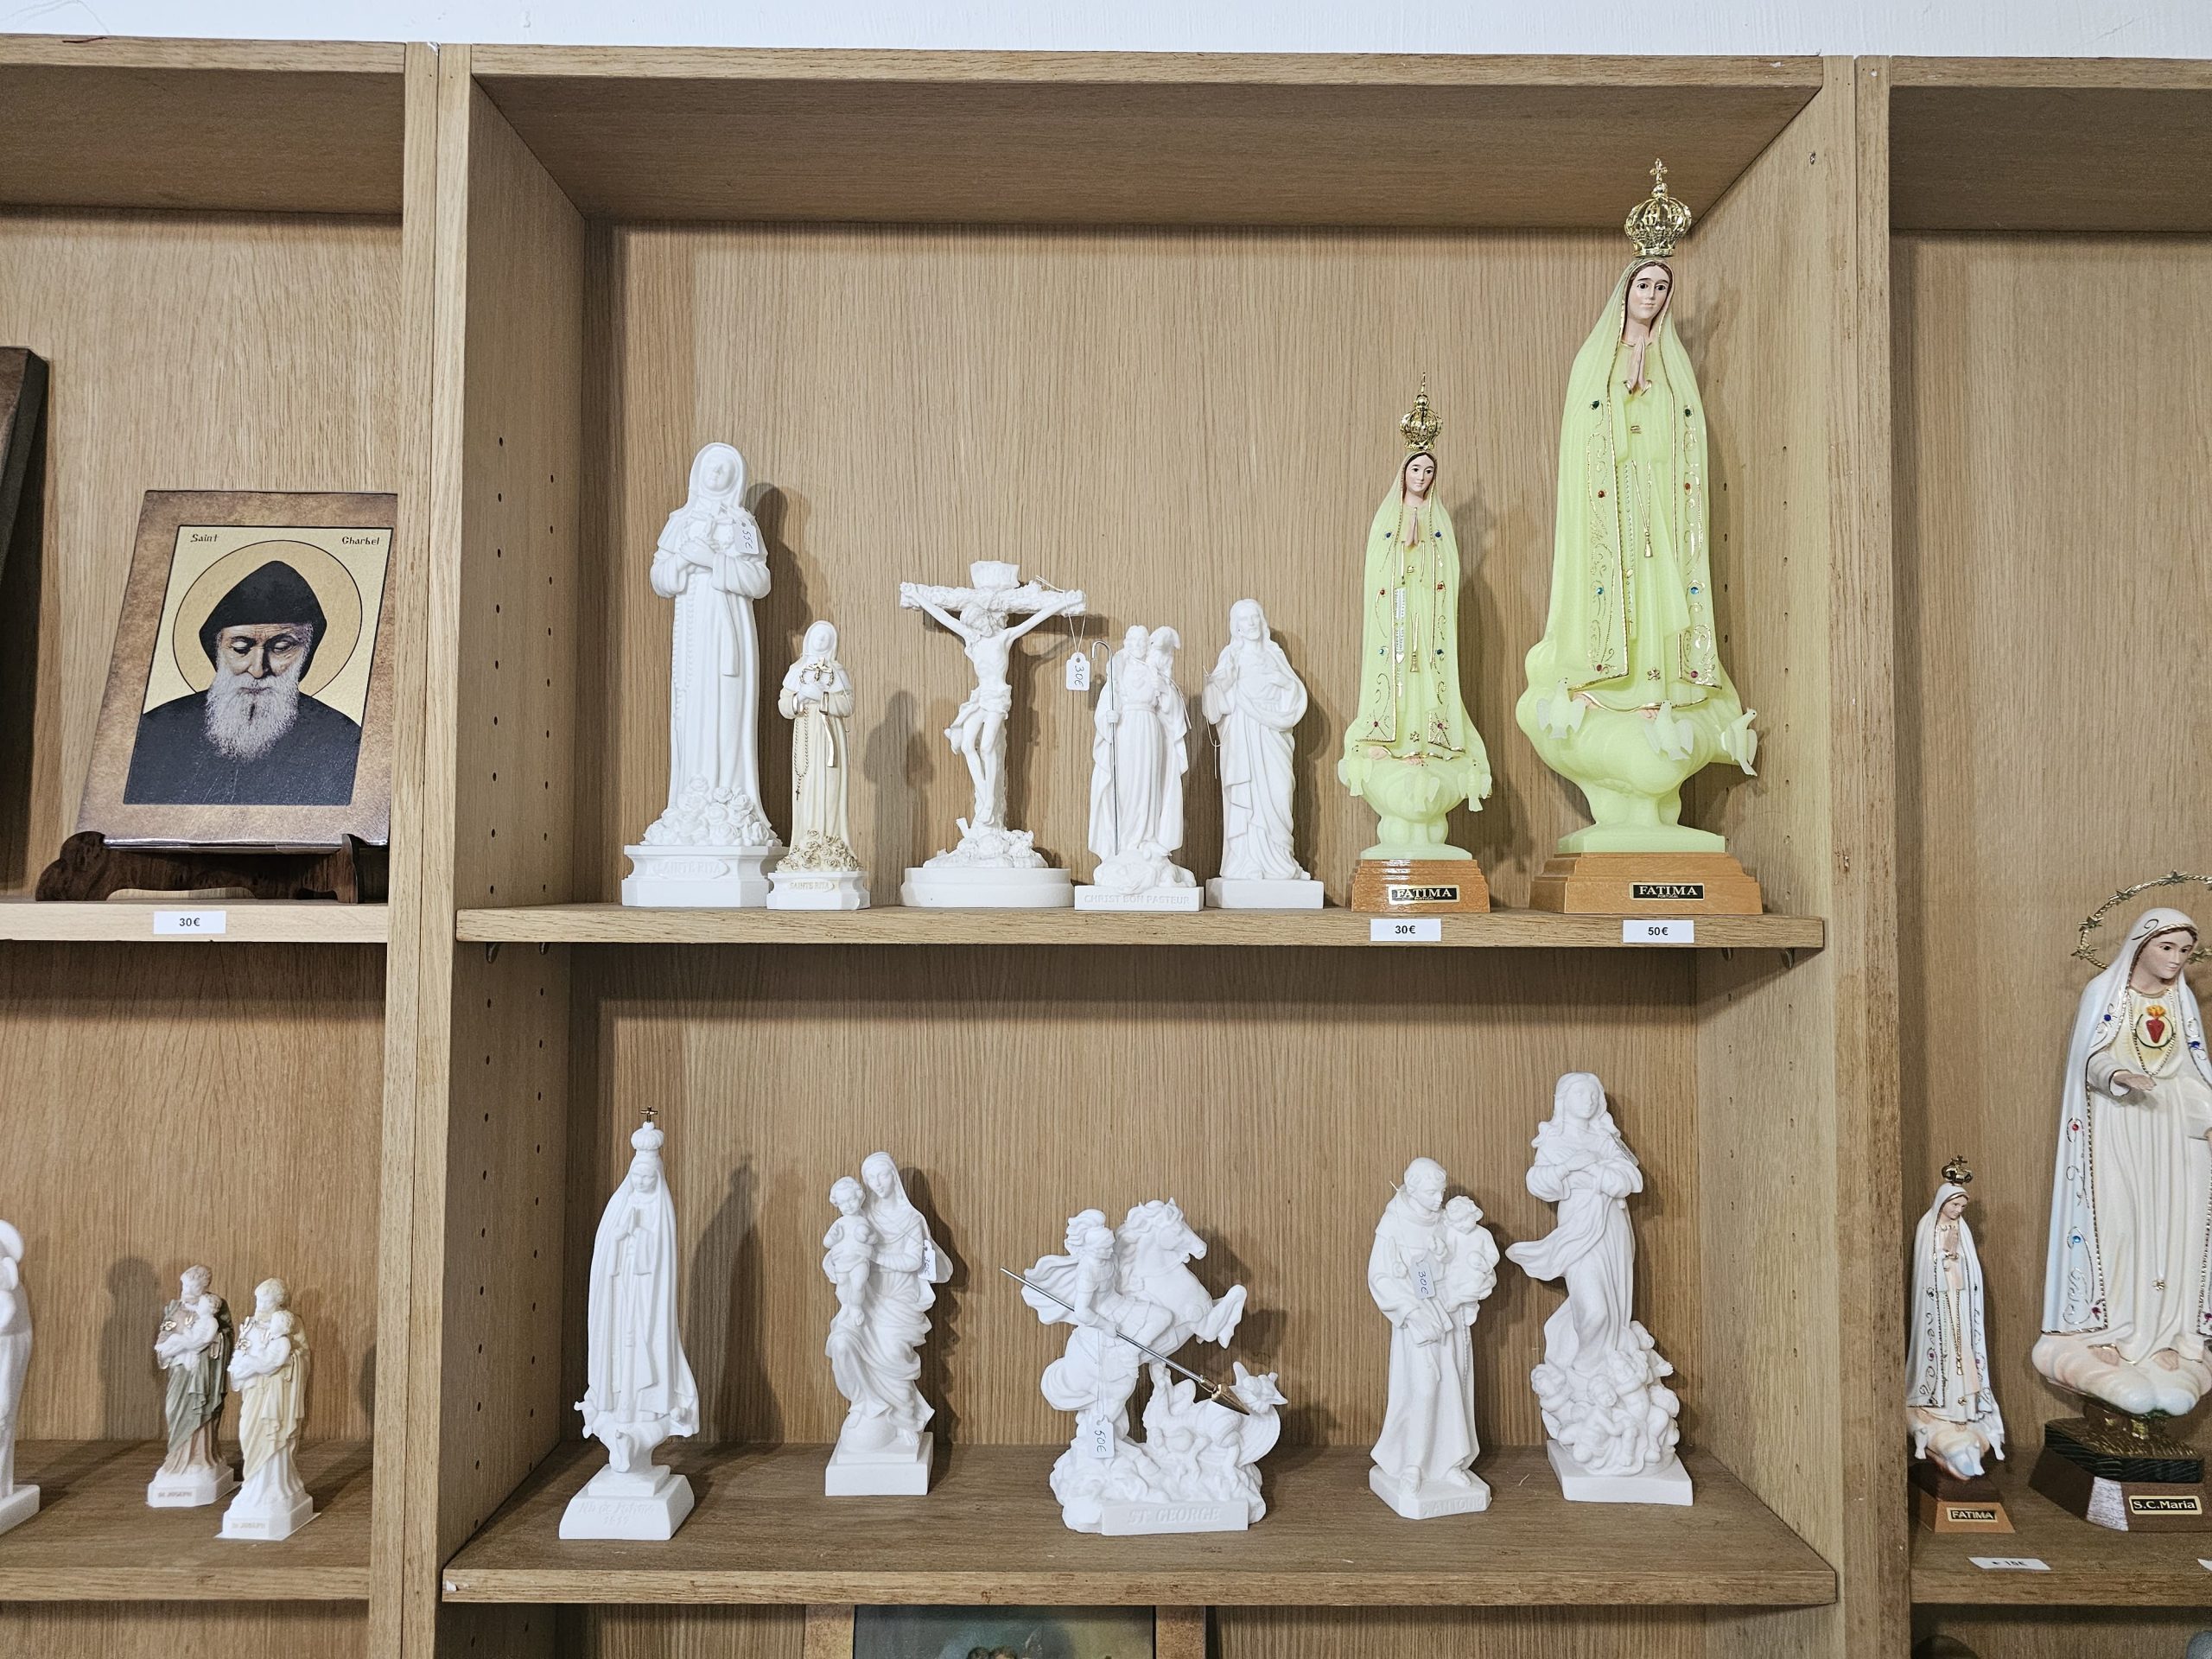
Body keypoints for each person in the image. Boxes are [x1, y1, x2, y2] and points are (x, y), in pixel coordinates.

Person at [2035, 907, 2212, 1417]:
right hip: (2117, 1125)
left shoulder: (2181, 1001)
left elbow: (2194, 1069)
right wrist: (2118, 1075)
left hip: (2173, 1133)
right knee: (2118, 1227)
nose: (2176, 960)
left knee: (2173, 1230)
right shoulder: (2105, 993)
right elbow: (2087, 1058)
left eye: (2185, 951)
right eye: (2167, 948)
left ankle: (2163, 1335)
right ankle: (2110, 1330)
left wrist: (2204, 1116)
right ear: (2140, 945)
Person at [124, 559, 361, 805]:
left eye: (281, 647)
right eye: (240, 648)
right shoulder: (157, 730)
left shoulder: (343, 736)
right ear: (217, 650)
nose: (258, 669)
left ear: (307, 653)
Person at [644, 442, 774, 846]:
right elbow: (660, 578)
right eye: (710, 466)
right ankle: (691, 801)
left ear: (736, 478)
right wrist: (686, 558)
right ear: (698, 472)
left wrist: (714, 560)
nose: (716, 473)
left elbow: (760, 581)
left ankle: (729, 798)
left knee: (726, 706)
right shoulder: (680, 521)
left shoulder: (743, 524)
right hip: (692, 634)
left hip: (728, 628)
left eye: (724, 468)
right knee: (692, 707)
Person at [1907, 1168, 2005, 1478]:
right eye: (1955, 1205)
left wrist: (1956, 1259)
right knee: (1944, 1355)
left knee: (1963, 1355)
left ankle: (1964, 1409)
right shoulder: (1928, 1226)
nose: (1959, 1211)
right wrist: (1943, 1258)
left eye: (1962, 1206)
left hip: (1959, 1304)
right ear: (1942, 1203)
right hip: (1938, 1306)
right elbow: (1925, 1267)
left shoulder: (1962, 1229)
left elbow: (1970, 1266)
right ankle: (1939, 1408)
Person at [1204, 599, 1309, 882]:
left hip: (1273, 735)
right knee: (1246, 796)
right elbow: (1214, 706)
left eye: (1254, 617)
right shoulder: (1231, 656)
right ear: (1235, 626)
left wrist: (1282, 682)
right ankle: (1245, 860)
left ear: (1261, 621)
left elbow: (1294, 694)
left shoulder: (1274, 654)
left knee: (1280, 791)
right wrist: (1219, 684)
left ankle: (1280, 858)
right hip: (1243, 736)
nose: (1250, 623)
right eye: (1244, 619)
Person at [777, 620, 858, 868]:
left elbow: (847, 706)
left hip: (829, 735)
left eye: (826, 637)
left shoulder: (837, 671)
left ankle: (831, 840)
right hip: (805, 733)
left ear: (833, 643)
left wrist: (822, 697)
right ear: (809, 639)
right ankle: (805, 843)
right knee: (807, 783)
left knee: (830, 785)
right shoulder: (797, 669)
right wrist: (801, 696)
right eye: (818, 635)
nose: (821, 640)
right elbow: (784, 705)